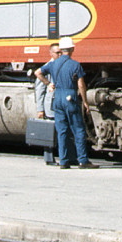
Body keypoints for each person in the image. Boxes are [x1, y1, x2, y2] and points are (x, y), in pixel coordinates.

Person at [36, 36, 98, 169]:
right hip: (70, 96)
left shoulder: (53, 63)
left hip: (57, 97)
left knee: (62, 130)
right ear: (72, 49)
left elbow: (38, 73)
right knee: (79, 129)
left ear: (61, 49)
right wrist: (86, 102)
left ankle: (63, 161)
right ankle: (83, 160)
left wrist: (48, 83)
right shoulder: (75, 64)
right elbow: (81, 85)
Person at [34, 42, 60, 165]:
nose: (60, 54)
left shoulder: (61, 65)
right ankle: (49, 158)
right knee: (49, 131)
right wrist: (40, 109)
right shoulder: (47, 67)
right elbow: (39, 89)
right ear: (51, 53)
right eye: (57, 52)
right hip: (50, 105)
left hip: (58, 103)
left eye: (61, 52)